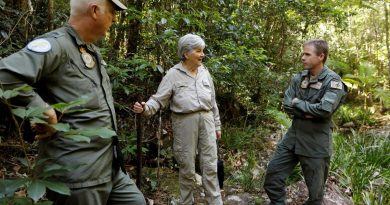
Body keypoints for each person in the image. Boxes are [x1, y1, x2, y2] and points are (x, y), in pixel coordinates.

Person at [0, 0, 146, 204]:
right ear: (95, 10)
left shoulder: (91, 50)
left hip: (109, 167)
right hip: (78, 176)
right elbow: (4, 74)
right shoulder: (56, 45)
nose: (114, 18)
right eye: (112, 12)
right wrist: (41, 109)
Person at [133, 34, 223, 205]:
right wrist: (145, 108)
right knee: (187, 168)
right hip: (184, 123)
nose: (202, 54)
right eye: (198, 51)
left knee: (210, 167)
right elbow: (159, 99)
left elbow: (212, 102)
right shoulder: (173, 74)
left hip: (207, 121)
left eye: (202, 50)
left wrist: (217, 125)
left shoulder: (205, 72)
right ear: (186, 53)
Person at [263, 40, 348, 205]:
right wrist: (308, 111)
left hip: (316, 142)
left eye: (307, 54)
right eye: (303, 53)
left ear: (321, 56)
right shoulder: (299, 77)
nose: (303, 57)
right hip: (293, 137)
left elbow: (324, 110)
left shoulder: (333, 81)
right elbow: (287, 105)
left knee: (315, 196)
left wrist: (298, 104)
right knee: (272, 177)